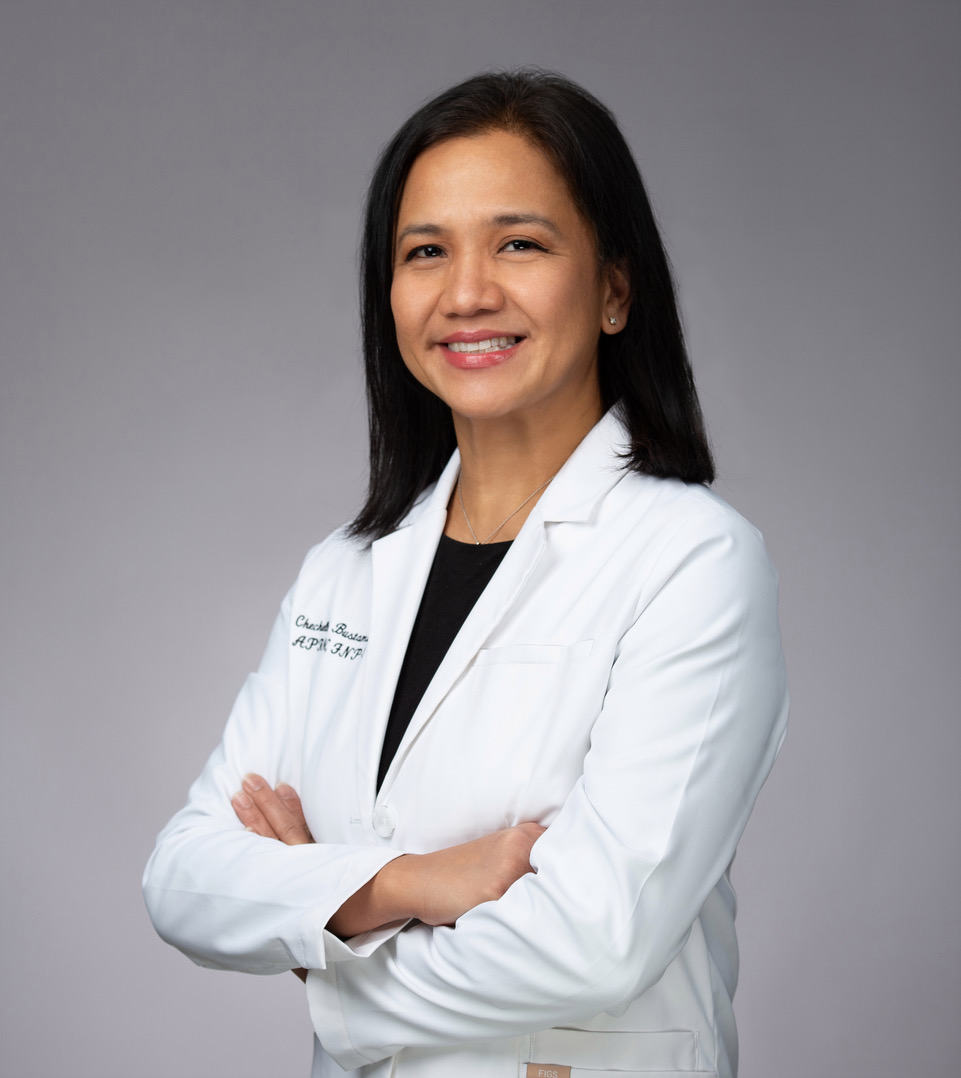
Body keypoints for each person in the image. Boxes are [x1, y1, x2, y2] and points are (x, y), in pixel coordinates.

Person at [143, 69, 788, 1078]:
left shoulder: (692, 561)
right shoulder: (344, 572)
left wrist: (322, 938)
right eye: (425, 252)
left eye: (519, 243)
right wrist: (403, 881)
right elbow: (182, 876)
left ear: (615, 289)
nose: (466, 292)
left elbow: (594, 940)